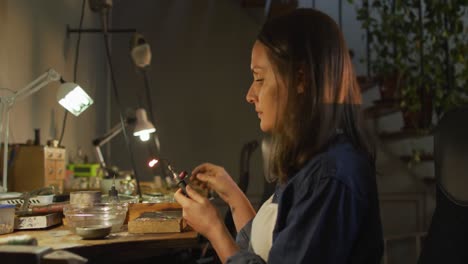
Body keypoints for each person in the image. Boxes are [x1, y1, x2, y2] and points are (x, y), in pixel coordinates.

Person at [174, 8, 383, 264]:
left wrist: (215, 230)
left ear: (301, 79)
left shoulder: (328, 176)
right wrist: (231, 194)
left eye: (259, 78)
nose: (250, 95)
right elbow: (263, 248)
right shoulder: (309, 158)